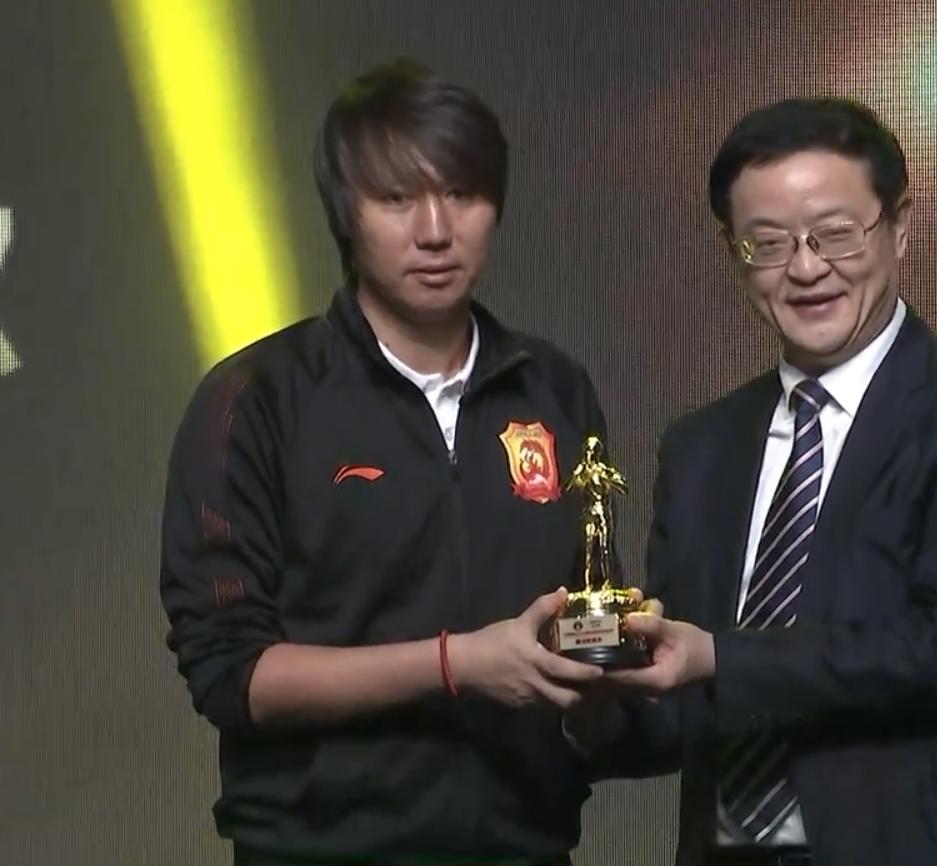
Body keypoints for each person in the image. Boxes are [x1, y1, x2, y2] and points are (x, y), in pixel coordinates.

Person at [601, 98, 937, 866]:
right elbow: (681, 700)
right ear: (733, 252)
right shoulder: (700, 447)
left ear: (898, 227)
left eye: (834, 234)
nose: (804, 268)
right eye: (767, 243)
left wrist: (715, 657)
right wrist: (589, 691)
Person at [159, 60, 610, 866]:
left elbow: (586, 620)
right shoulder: (256, 398)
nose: (435, 230)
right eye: (397, 199)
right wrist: (456, 664)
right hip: (318, 849)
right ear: (346, 212)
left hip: (525, 847)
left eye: (462, 195)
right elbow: (231, 673)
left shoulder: (554, 390)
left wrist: (618, 672)